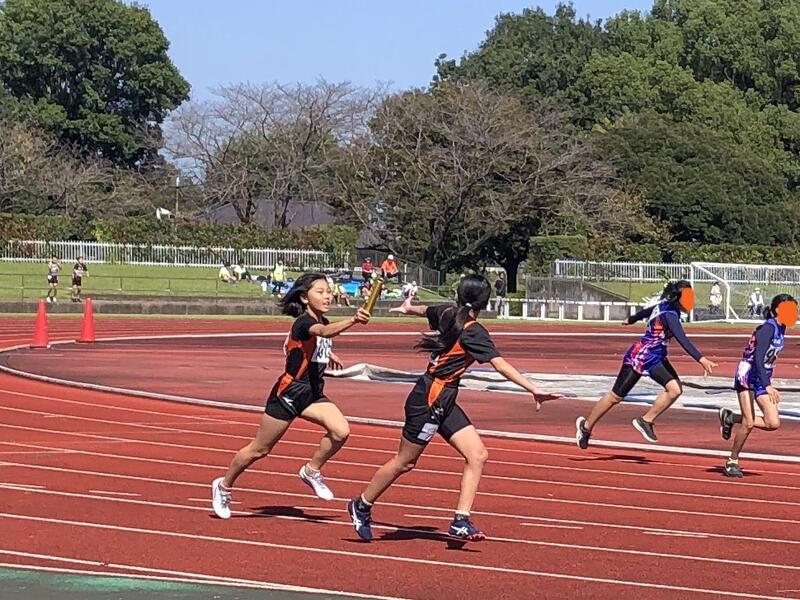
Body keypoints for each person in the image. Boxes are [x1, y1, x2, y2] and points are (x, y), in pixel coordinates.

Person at [346, 274, 562, 542]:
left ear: (459, 296)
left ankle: (461, 520)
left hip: (442, 399)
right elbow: (499, 364)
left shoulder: (448, 313)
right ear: (485, 302)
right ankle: (361, 504)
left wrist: (409, 308)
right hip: (429, 400)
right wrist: (533, 389)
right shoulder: (474, 331)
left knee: (477, 455)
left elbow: (427, 310)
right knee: (405, 462)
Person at [212, 274, 371, 519]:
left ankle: (311, 470)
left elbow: (312, 340)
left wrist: (329, 354)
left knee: (341, 431)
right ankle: (223, 486)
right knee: (259, 450)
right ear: (305, 297)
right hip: (288, 394)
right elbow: (323, 332)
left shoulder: (321, 320)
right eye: (320, 292)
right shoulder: (304, 322)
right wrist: (353, 320)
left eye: (329, 292)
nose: (327, 296)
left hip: (312, 394)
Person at [575, 280, 718, 448]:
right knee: (615, 397)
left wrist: (632, 319)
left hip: (657, 357)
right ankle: (586, 427)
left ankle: (646, 420)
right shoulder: (670, 315)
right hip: (641, 356)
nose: (690, 302)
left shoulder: (666, 307)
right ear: (677, 298)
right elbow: (682, 339)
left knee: (675, 390)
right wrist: (701, 359)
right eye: (687, 297)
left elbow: (646, 312)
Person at [718, 294, 796, 477]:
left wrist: (766, 380)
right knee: (749, 423)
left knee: (773, 423)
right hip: (747, 375)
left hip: (762, 377)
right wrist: (768, 385)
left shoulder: (781, 327)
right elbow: (758, 358)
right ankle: (732, 461)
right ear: (777, 310)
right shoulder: (767, 329)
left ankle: (730, 418)